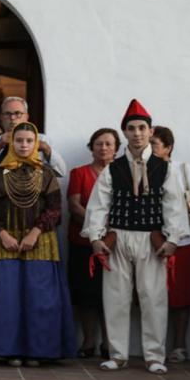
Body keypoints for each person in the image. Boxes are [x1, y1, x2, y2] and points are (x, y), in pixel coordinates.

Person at [83, 99, 189, 375]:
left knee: (153, 297)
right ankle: (118, 355)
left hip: (150, 239)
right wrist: (96, 237)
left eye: (142, 127)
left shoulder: (166, 169)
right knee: (115, 297)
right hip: (118, 237)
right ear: (125, 133)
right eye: (131, 128)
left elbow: (174, 205)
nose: (137, 133)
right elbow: (98, 204)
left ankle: (155, 356)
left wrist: (173, 239)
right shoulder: (113, 169)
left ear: (150, 131)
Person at [0, 122, 75, 366]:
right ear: (10, 143)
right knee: (4, 297)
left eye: (29, 141)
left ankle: (39, 351)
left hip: (40, 240)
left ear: (36, 143)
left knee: (40, 298)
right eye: (19, 141)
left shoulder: (46, 173)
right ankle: (7, 350)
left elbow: (55, 208)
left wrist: (35, 232)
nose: (24, 145)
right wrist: (2, 233)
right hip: (3, 240)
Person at [150, 126, 190, 363]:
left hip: (183, 241)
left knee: (180, 294)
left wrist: (182, 208)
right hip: (150, 239)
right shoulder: (139, 170)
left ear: (168, 147)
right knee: (150, 293)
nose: (149, 147)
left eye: (153, 143)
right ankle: (153, 346)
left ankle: (179, 346)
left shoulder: (183, 169)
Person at [67, 129, 118, 358]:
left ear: (116, 147)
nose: (104, 148)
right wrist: (96, 226)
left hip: (113, 243)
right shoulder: (79, 173)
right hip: (83, 242)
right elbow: (74, 205)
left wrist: (109, 231)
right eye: (99, 143)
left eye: (108, 143)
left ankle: (110, 343)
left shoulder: (123, 173)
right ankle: (88, 342)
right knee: (86, 295)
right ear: (92, 146)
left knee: (111, 294)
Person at [0, 97, 65, 183]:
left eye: (18, 113)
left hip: (35, 199)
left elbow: (62, 172)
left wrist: (46, 149)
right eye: (7, 114)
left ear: (26, 117)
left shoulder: (42, 140)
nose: (12, 118)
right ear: (1, 118)